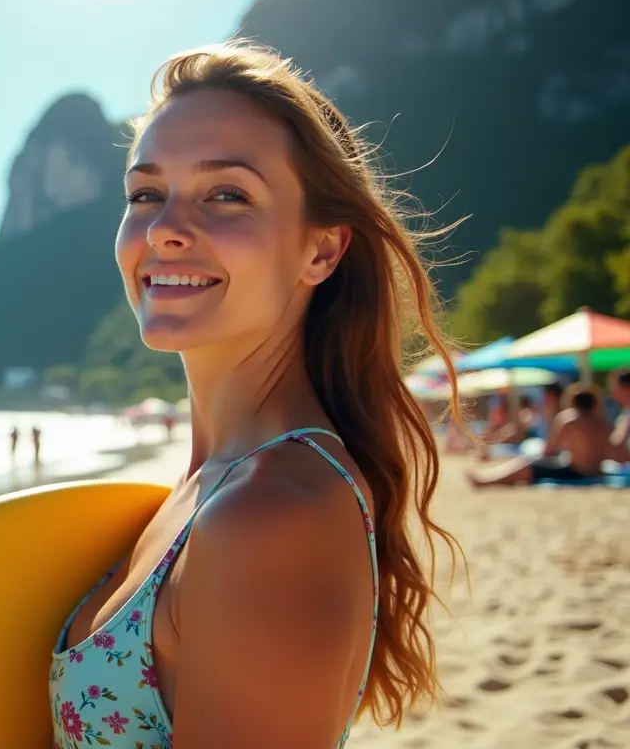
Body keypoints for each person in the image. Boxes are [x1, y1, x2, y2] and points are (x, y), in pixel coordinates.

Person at [49, 40, 463, 749]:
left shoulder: (269, 515)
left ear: (321, 250)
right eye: (146, 194)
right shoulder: (217, 489)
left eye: (226, 194)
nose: (166, 229)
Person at [468, 383, 628, 486]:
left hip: (575, 471)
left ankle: (486, 480)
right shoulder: (602, 422)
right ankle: (486, 479)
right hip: (596, 471)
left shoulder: (568, 418)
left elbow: (548, 450)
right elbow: (609, 450)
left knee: (526, 464)